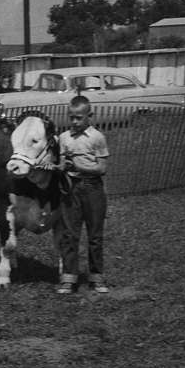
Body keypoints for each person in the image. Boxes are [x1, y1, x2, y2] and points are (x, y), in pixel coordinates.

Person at [57, 95, 110, 294]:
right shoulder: (64, 138)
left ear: (90, 116)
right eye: (71, 117)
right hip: (72, 189)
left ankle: (96, 278)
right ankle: (69, 278)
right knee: (70, 234)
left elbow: (102, 168)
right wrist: (59, 167)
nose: (74, 122)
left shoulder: (97, 138)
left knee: (95, 236)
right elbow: (62, 163)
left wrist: (79, 165)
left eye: (79, 118)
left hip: (93, 189)